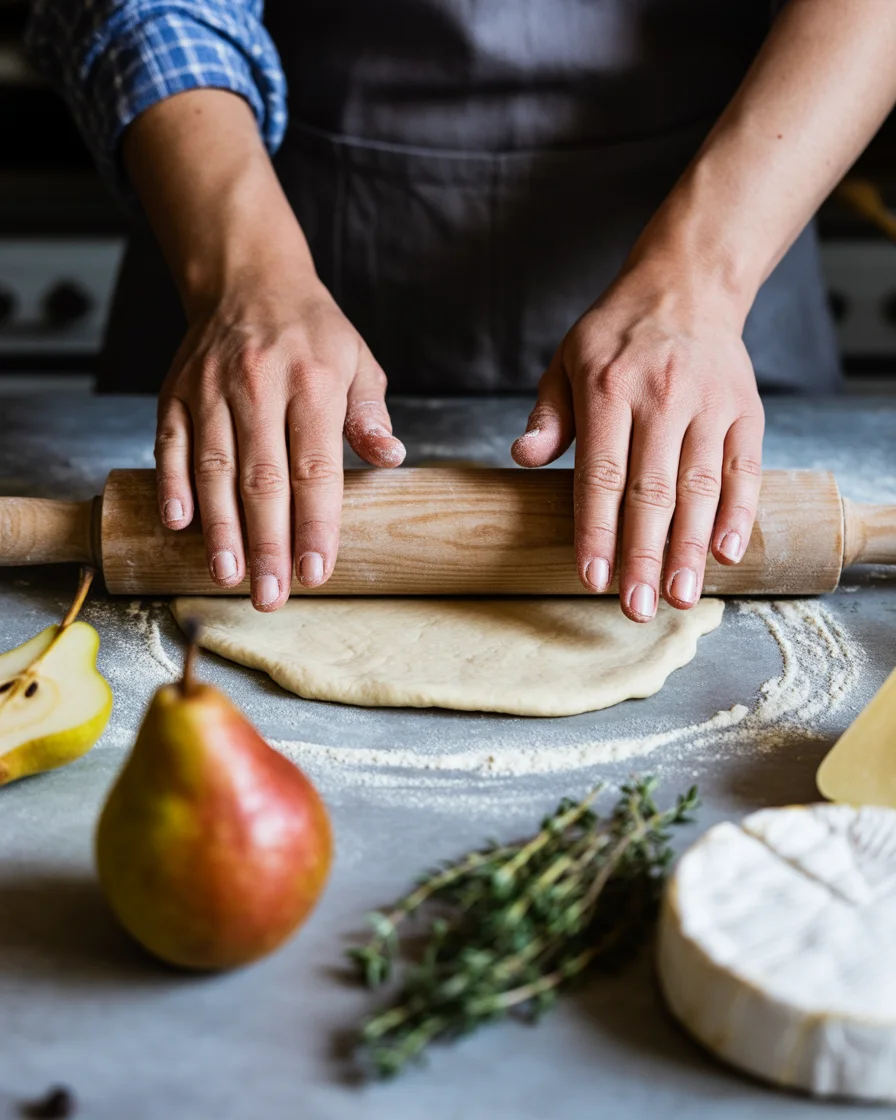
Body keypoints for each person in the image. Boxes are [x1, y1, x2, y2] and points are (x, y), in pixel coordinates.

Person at [27, 1, 896, 620]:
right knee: (214, 509)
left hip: (741, 216)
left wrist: (701, 280)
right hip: (258, 220)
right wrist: (245, 272)